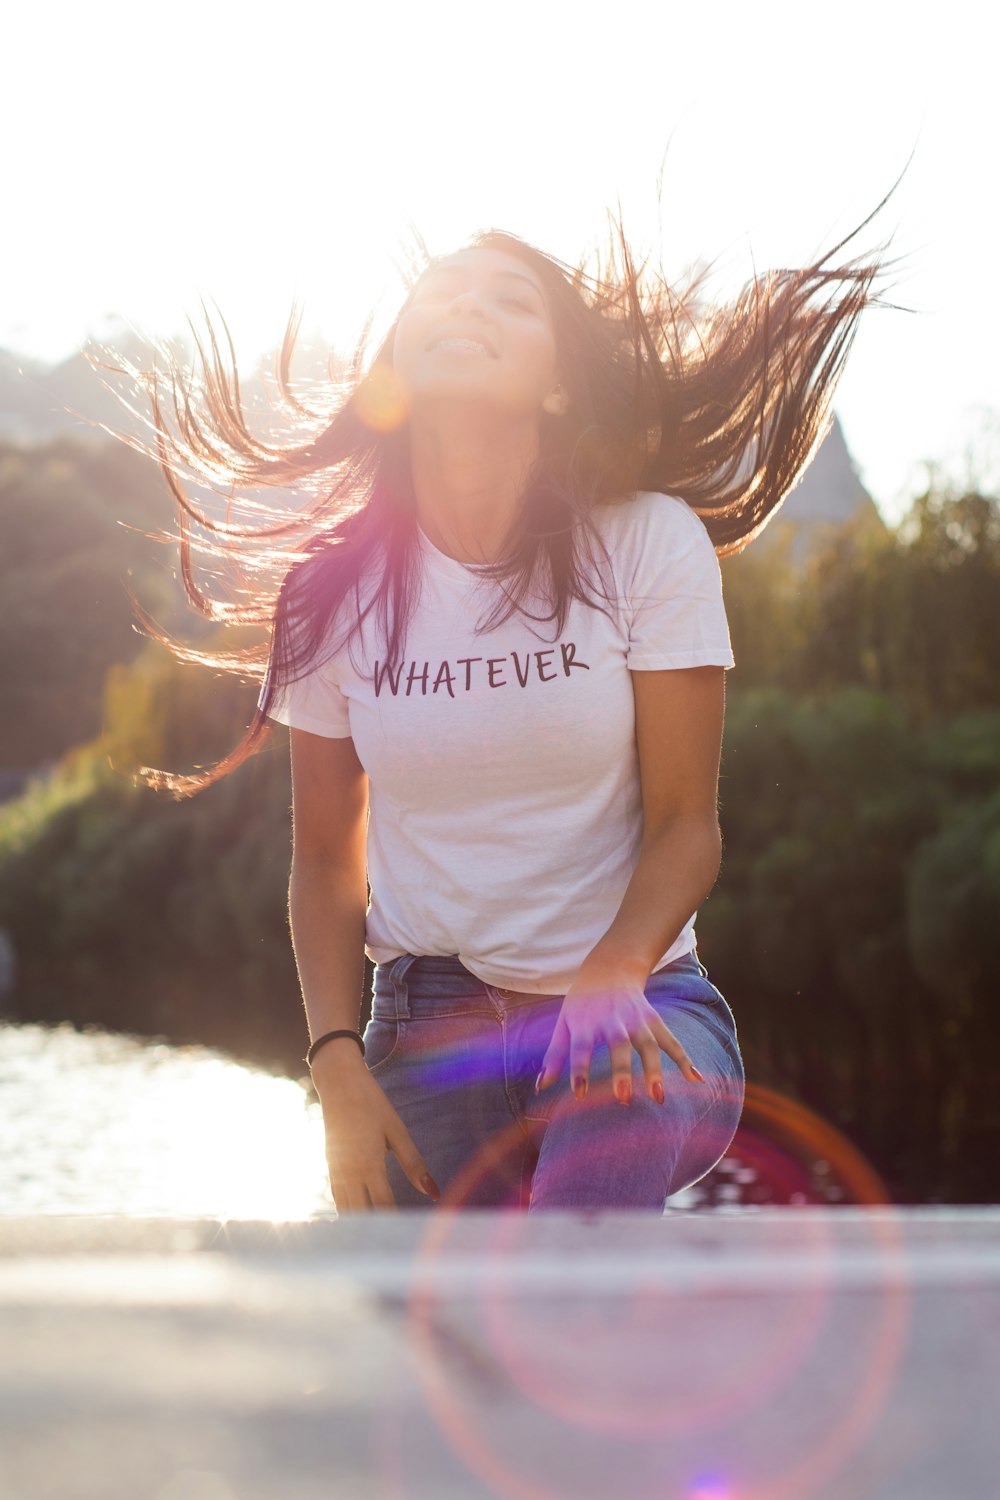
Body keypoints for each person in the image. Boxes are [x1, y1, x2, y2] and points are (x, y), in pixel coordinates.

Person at [104, 193, 905, 1212]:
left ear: (560, 385)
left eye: (509, 300)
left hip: (638, 1000)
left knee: (574, 1247)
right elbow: (321, 862)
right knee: (425, 1339)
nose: (465, 305)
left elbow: (684, 830)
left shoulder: (647, 542)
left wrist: (613, 972)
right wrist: (338, 1066)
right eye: (440, 291)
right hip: (430, 1024)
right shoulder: (330, 593)